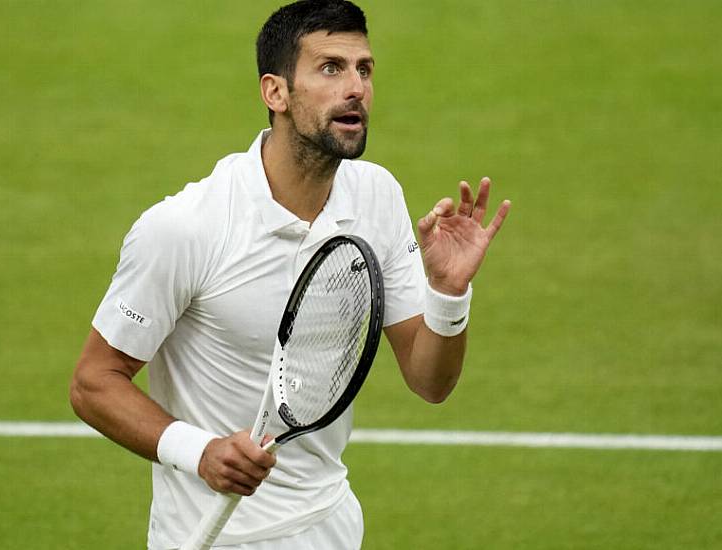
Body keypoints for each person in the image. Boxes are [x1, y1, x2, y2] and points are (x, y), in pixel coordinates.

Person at [70, 1, 510, 548]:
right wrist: (199, 452)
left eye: (364, 69)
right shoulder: (185, 229)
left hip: (331, 526)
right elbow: (94, 383)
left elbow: (431, 382)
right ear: (274, 92)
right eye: (331, 68)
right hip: (216, 539)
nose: (356, 88)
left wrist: (448, 293)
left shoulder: (376, 196)